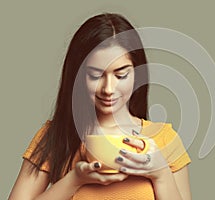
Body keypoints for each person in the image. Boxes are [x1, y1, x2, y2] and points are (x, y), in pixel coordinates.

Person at [9, 13, 192, 200]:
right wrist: (75, 179)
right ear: (78, 76)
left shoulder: (163, 139)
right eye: (96, 76)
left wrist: (161, 174)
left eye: (121, 75)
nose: (108, 89)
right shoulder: (56, 137)